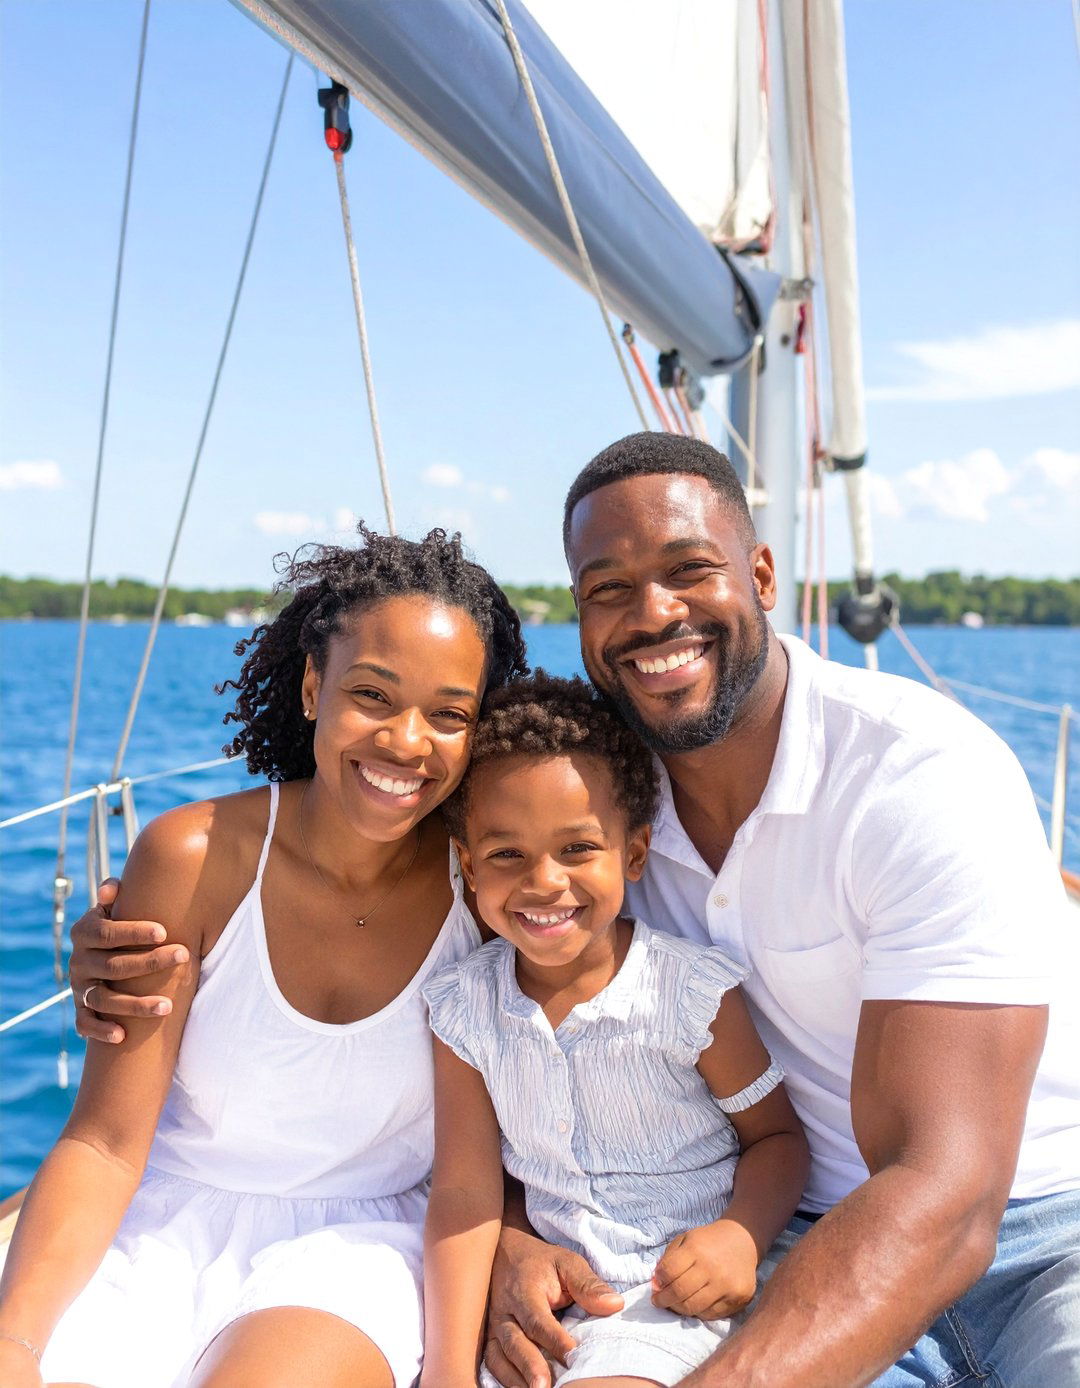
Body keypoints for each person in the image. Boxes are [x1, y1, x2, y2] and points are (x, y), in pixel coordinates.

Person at [64, 433, 1080, 1386]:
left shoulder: (914, 775)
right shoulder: (596, 796)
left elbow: (948, 1194)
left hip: (1040, 1230)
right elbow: (371, 877)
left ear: (761, 578)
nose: (653, 613)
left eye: (690, 569)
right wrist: (142, 928)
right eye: (609, 589)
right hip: (780, 1234)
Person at [0, 526, 528, 1388]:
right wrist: (14, 1346)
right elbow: (103, 1144)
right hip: (156, 1224)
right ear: (314, 687)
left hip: (367, 1243)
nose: (406, 740)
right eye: (373, 694)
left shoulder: (485, 887)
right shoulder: (193, 858)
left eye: (449, 714)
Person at [418, 674, 808, 1387]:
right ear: (469, 867)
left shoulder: (690, 993)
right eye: (507, 855)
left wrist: (739, 1236)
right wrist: (446, 1370)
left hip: (674, 1294)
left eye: (577, 850)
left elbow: (777, 1141)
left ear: (632, 854)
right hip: (549, 1296)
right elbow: (465, 1192)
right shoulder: (463, 1010)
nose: (544, 882)